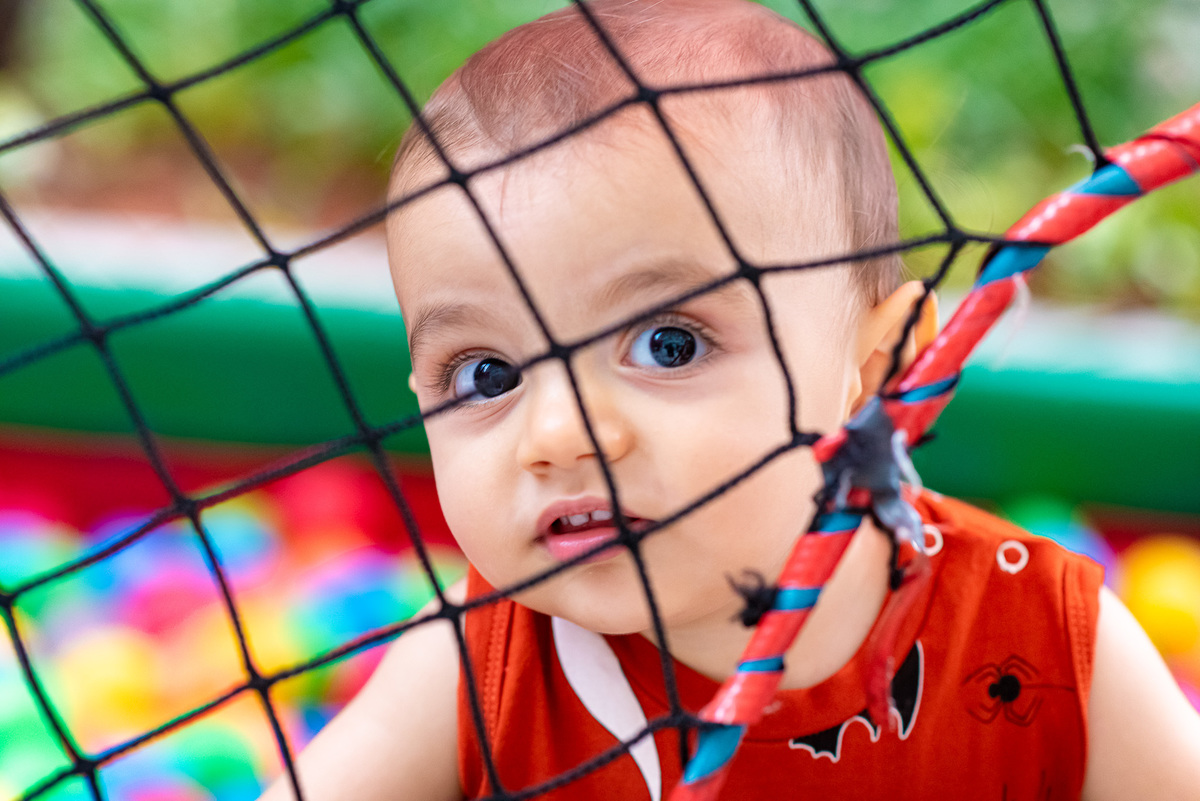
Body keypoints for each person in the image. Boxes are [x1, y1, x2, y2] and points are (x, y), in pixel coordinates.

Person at [260, 1, 1200, 798]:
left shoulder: (1042, 643)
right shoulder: (485, 663)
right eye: (485, 376)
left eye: (668, 345)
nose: (555, 434)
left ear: (877, 375)